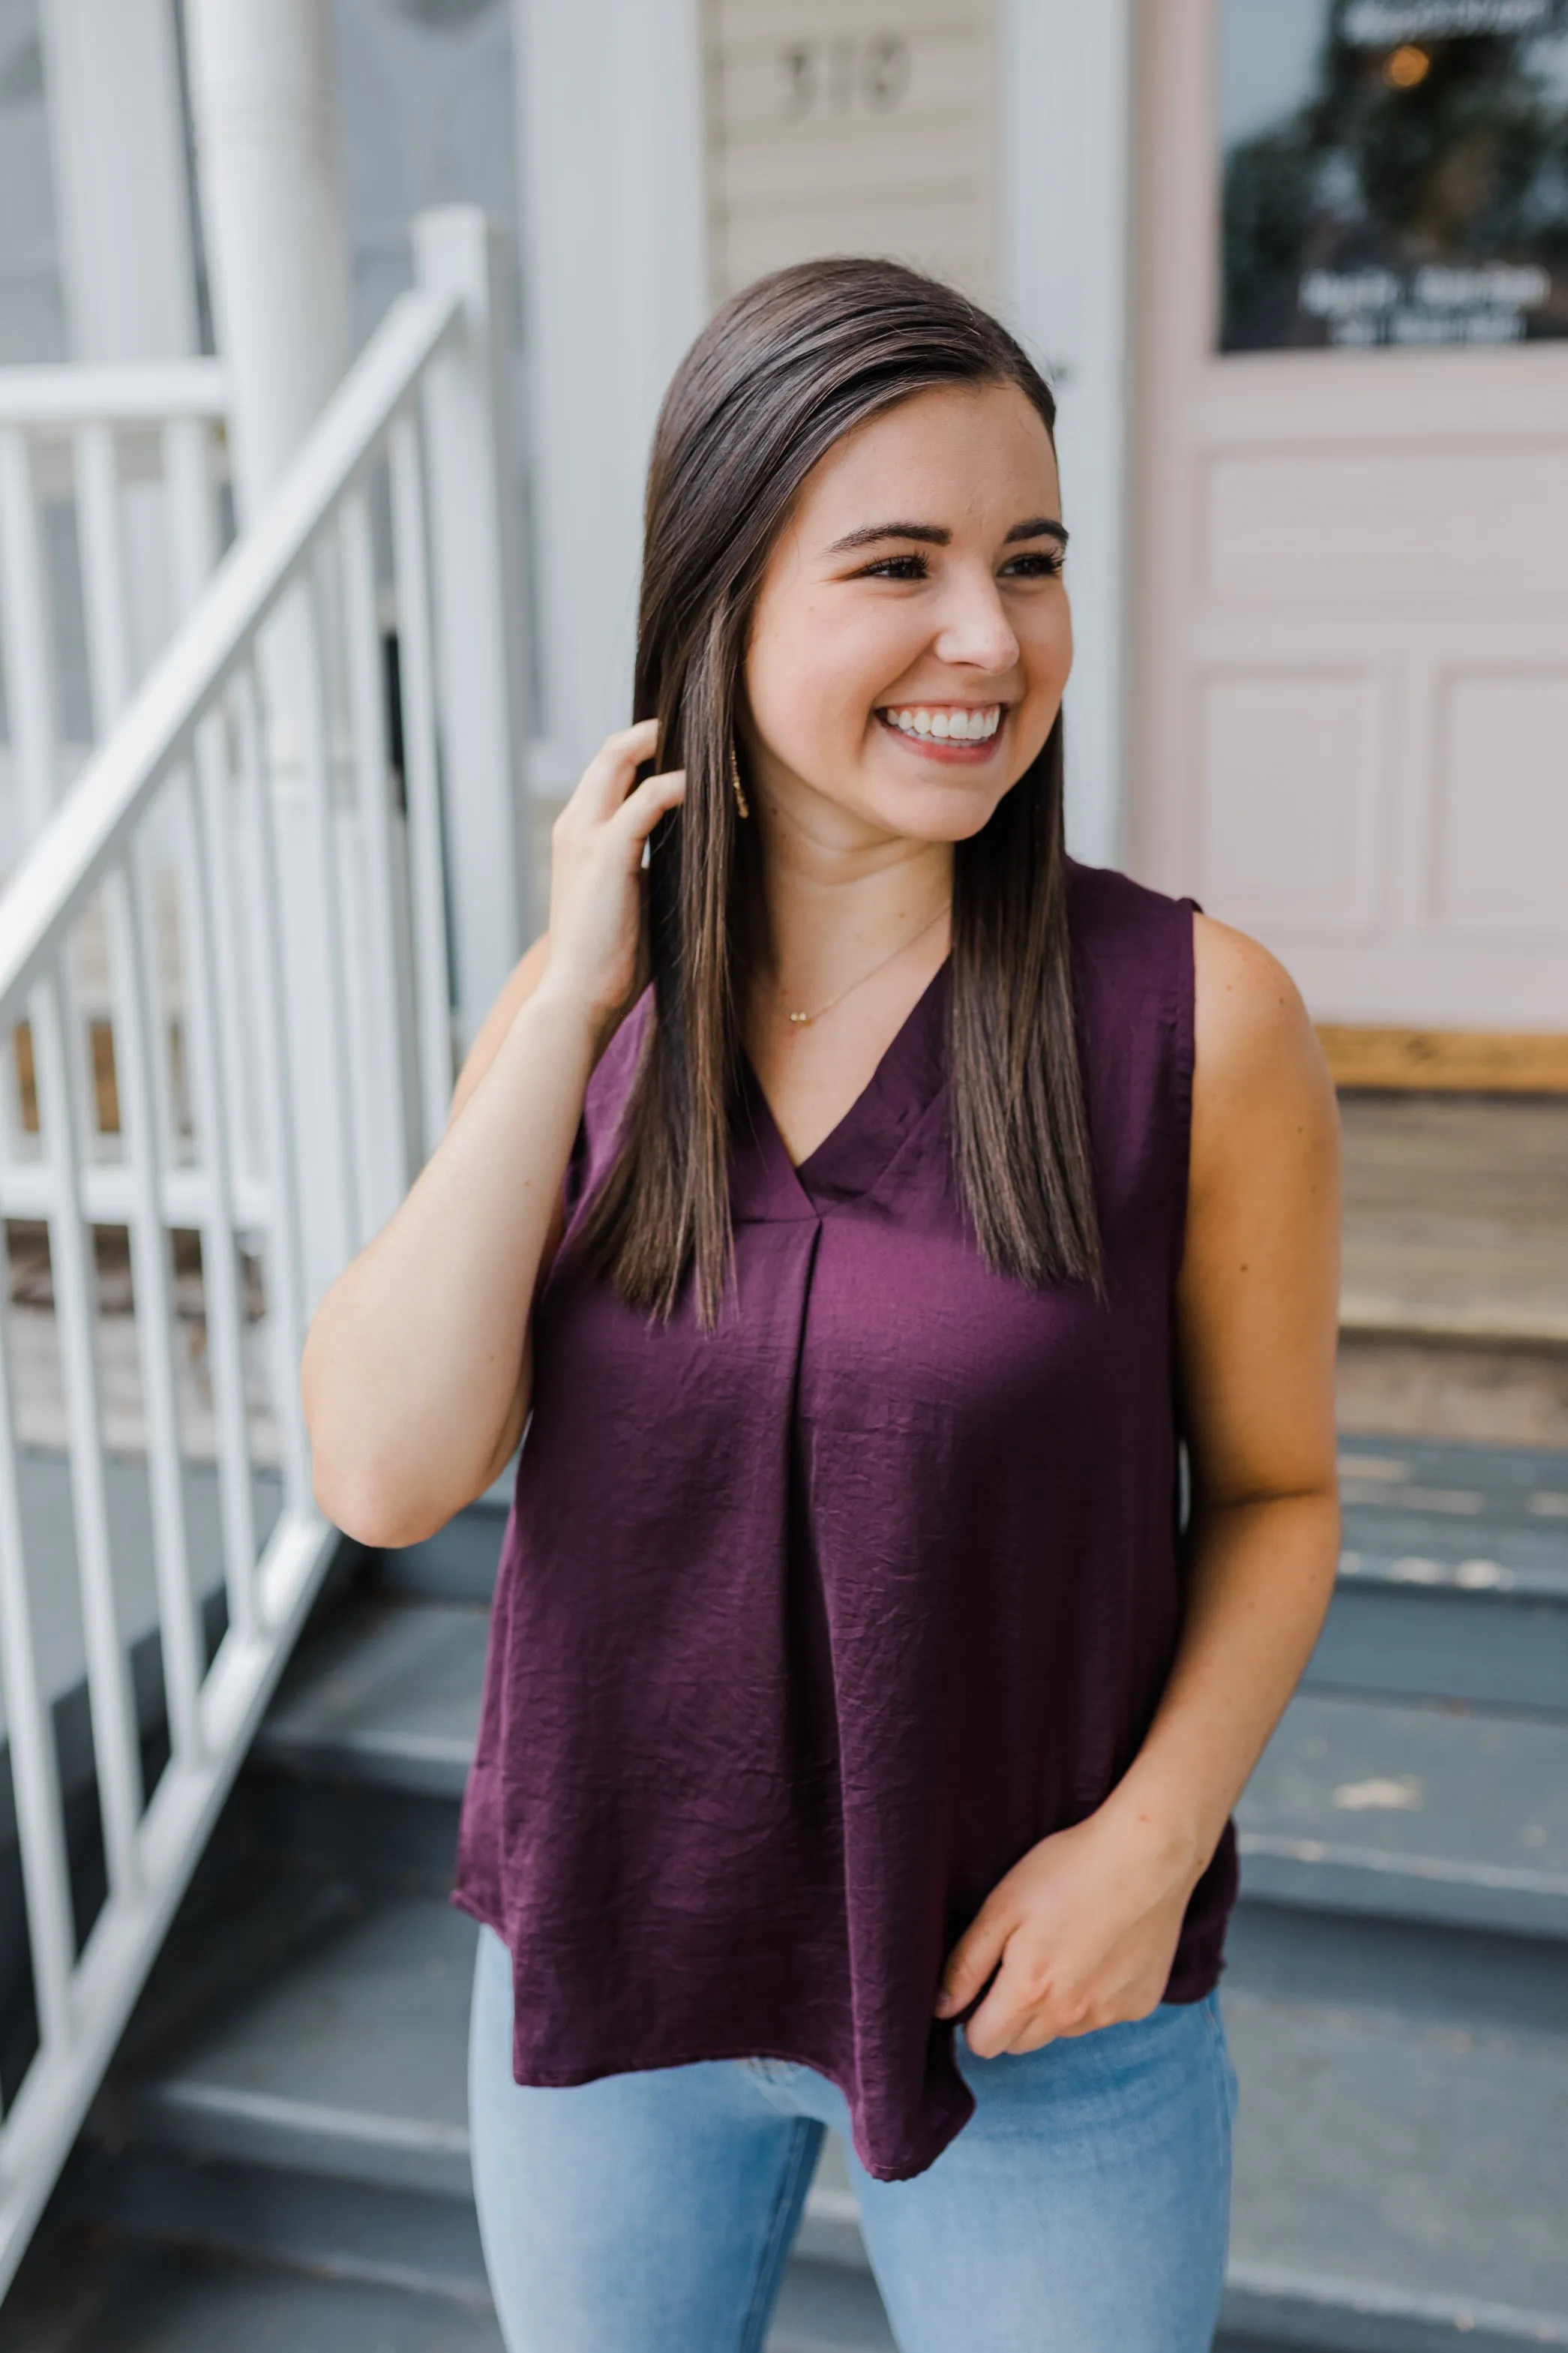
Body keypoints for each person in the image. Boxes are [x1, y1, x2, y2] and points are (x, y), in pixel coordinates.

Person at [302, 257, 1342, 2353]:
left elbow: (1276, 1495)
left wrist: (1149, 1849)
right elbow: (388, 1474)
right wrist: (572, 990)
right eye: (902, 564)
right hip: (612, 1975)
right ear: (727, 603)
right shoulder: (581, 1019)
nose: (991, 639)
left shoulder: (1194, 1020)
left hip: (1042, 2003)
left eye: (1030, 561)